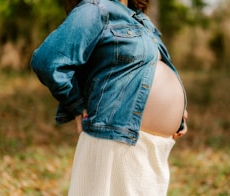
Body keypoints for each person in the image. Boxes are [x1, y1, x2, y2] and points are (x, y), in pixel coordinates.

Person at [31, 0, 188, 195]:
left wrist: (177, 113)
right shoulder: (95, 9)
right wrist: (77, 105)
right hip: (117, 139)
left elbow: (142, 70)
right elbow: (47, 60)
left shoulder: (139, 19)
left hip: (151, 146)